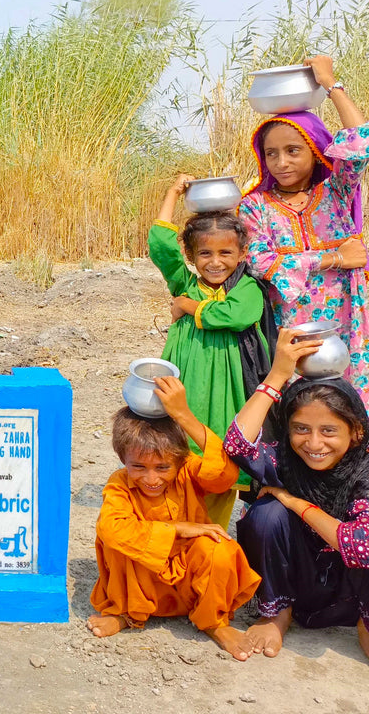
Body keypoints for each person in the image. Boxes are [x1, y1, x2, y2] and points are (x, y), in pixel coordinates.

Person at [88, 377, 261, 661]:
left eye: (163, 467)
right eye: (138, 467)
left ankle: (213, 621)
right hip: (140, 581)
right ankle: (125, 613)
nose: (151, 479)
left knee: (221, 548)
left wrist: (183, 414)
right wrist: (178, 528)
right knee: (119, 541)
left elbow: (224, 475)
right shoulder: (119, 484)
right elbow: (111, 528)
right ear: (122, 459)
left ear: (180, 459)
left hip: (186, 581)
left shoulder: (187, 470)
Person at [225, 328, 369, 659]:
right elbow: (236, 445)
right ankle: (276, 613)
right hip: (297, 580)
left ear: (357, 432)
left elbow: (361, 545)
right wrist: (277, 376)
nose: (314, 444)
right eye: (301, 429)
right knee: (265, 515)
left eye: (329, 431)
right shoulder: (286, 460)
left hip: (353, 591)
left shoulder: (364, 469)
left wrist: (295, 502)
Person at [237, 55, 369, 405]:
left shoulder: (335, 193)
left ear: (315, 149)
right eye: (271, 153)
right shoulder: (256, 207)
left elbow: (361, 142)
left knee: (349, 402)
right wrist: (337, 258)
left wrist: (330, 82)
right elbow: (262, 263)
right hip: (291, 328)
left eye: (293, 150)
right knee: (299, 407)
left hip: (349, 319)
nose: (281, 163)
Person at [150, 177, 275, 526]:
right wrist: (173, 193)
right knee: (178, 459)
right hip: (187, 382)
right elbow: (161, 246)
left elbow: (234, 315)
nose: (215, 262)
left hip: (229, 389)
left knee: (220, 457)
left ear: (242, 254)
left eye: (225, 253)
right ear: (191, 255)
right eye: (204, 253)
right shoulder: (186, 282)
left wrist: (187, 306)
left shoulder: (247, 287)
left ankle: (212, 535)